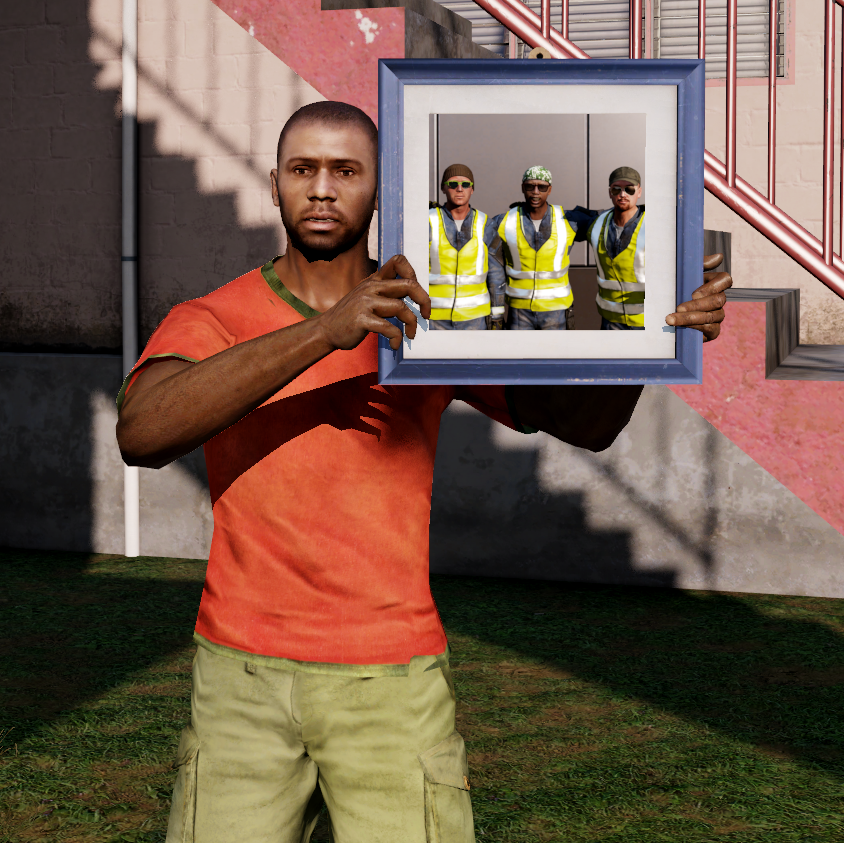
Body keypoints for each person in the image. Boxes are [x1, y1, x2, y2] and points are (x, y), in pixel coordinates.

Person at [116, 101, 732, 843]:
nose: (321, 189)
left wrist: (654, 336)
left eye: (346, 171)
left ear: (380, 190)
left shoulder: (423, 322)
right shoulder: (214, 315)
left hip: (394, 678)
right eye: (304, 169)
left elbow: (587, 425)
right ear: (273, 182)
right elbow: (142, 431)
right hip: (240, 678)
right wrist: (328, 331)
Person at [492, 166, 596, 331]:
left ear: (550, 190)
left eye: (541, 187)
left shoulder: (568, 220)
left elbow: (607, 221)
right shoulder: (503, 221)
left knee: (554, 357)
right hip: (519, 312)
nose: (535, 192)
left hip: (556, 311)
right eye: (530, 186)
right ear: (522, 188)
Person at [429, 164, 506, 330]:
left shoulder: (485, 224)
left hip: (476, 319)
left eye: (465, 184)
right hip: (433, 319)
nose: (459, 189)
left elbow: (496, 273)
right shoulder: (428, 221)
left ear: (472, 189)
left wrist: (497, 316)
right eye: (452, 184)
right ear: (443, 188)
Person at [587, 166, 646, 330]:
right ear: (610, 192)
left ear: (639, 192)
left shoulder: (654, 223)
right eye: (616, 189)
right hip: (609, 320)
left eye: (629, 189)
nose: (622, 194)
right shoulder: (597, 223)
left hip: (646, 323)